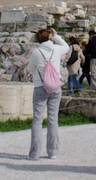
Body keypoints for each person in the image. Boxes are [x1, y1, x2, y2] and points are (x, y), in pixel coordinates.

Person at [27, 27, 70, 160]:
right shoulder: (56, 49)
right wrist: (56, 36)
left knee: (37, 120)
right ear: (49, 37)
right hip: (55, 86)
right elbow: (66, 47)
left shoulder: (36, 52)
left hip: (40, 86)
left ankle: (35, 153)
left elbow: (30, 68)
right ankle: (53, 152)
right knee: (53, 119)